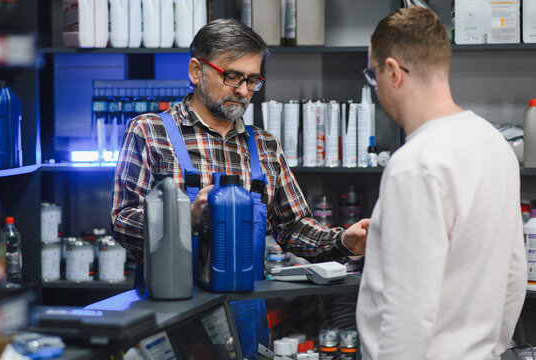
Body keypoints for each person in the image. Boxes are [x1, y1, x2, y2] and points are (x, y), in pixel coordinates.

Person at [110, 18, 369, 357]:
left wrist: (343, 241)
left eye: (252, 80)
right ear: (195, 71)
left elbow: (293, 228)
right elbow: (122, 220)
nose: (244, 90)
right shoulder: (148, 132)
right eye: (232, 76)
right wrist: (184, 218)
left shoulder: (264, 146)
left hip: (245, 320)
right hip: (171, 322)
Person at [355, 7, 527, 359]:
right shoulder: (494, 144)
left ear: (392, 72)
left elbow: (408, 311)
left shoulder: (415, 164)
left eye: (373, 75)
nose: (376, 88)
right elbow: (514, 275)